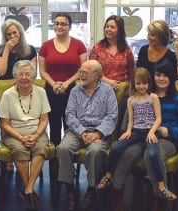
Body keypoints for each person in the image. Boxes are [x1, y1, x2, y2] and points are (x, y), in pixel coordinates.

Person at [111, 59, 178, 209]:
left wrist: (170, 131)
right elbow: (131, 116)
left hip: (167, 139)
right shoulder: (145, 94)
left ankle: (159, 197)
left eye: (166, 75)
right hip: (141, 135)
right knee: (127, 153)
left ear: (172, 78)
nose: (161, 78)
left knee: (152, 154)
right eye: (158, 75)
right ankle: (117, 190)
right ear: (152, 77)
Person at [97, 67, 174, 200]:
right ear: (134, 84)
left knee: (152, 153)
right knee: (116, 147)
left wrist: (152, 132)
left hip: (150, 132)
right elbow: (131, 120)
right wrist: (128, 131)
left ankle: (162, 186)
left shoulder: (153, 97)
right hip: (136, 131)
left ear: (149, 84)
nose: (141, 86)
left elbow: (158, 119)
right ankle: (109, 175)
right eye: (138, 83)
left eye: (144, 83)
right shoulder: (131, 100)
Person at [56, 60, 118, 210]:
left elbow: (112, 116)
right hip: (77, 130)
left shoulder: (107, 91)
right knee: (63, 148)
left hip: (99, 131)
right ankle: (70, 189)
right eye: (80, 71)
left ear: (96, 75)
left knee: (95, 151)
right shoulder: (75, 91)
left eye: (85, 72)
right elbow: (69, 115)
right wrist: (82, 132)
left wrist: (98, 133)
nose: (81, 75)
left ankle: (91, 189)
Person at [0, 60, 51, 209]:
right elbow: (5, 124)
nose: (25, 77)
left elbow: (44, 119)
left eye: (28, 74)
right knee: (20, 150)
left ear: (33, 76)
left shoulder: (41, 92)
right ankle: (30, 189)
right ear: (15, 77)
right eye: (21, 74)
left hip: (37, 132)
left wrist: (36, 135)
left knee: (40, 149)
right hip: (14, 133)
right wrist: (20, 137)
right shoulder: (8, 95)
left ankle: (27, 189)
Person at [39, 12, 87, 147]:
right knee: (54, 127)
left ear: (69, 27)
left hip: (73, 91)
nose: (59, 26)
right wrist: (54, 84)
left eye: (63, 24)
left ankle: (67, 161)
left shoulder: (79, 45)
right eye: (57, 24)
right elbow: (42, 71)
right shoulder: (45, 46)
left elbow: (82, 70)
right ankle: (55, 164)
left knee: (70, 127)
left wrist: (66, 83)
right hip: (51, 90)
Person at [0, 18, 36, 172]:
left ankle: (26, 152)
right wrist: (6, 49)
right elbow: (1, 71)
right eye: (8, 34)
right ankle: (9, 158)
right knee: (7, 124)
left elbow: (33, 73)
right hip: (5, 92)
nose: (12, 36)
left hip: (25, 91)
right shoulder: (0, 49)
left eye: (14, 32)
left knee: (24, 121)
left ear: (20, 32)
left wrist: (19, 81)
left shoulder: (30, 49)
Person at [136, 20, 178, 93]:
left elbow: (173, 79)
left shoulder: (170, 56)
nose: (148, 37)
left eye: (152, 35)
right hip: (143, 92)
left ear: (161, 36)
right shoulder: (143, 50)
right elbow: (137, 74)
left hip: (160, 94)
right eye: (148, 34)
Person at [89, 15, 134, 92]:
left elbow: (131, 72)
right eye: (107, 26)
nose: (108, 29)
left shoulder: (126, 49)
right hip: (101, 89)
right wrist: (107, 80)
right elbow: (90, 69)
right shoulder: (98, 47)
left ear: (120, 30)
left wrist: (130, 89)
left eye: (112, 27)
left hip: (122, 90)